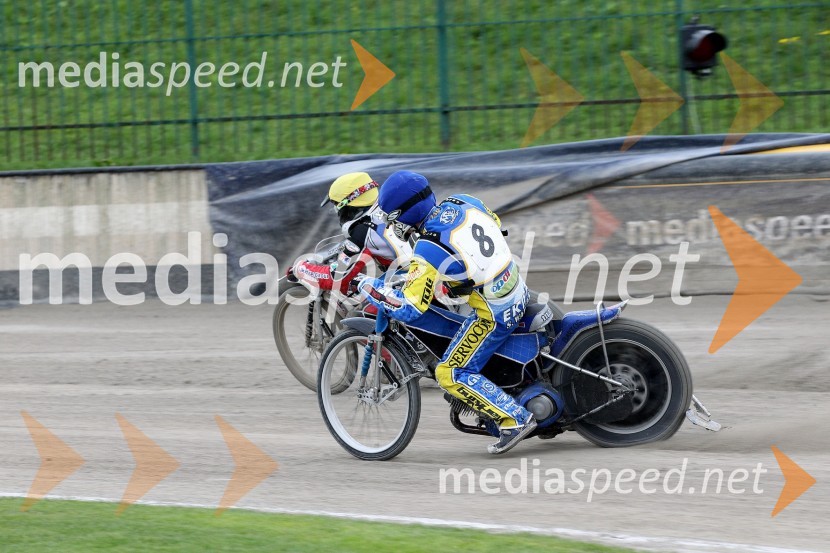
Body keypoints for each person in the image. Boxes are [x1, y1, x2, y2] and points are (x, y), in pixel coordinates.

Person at [353, 170, 537, 455]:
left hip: (494, 313)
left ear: (406, 214)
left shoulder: (427, 247)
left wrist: (370, 286)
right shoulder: (462, 201)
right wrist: (458, 278)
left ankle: (515, 419)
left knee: (449, 372)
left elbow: (411, 308)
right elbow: (495, 224)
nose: (393, 224)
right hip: (516, 285)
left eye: (393, 218)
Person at [289, 172, 412, 295]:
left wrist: (302, 269)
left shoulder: (363, 230)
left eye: (336, 206)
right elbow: (350, 248)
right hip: (420, 274)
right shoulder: (389, 210)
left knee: (361, 312)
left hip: (412, 285)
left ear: (347, 206)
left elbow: (336, 277)